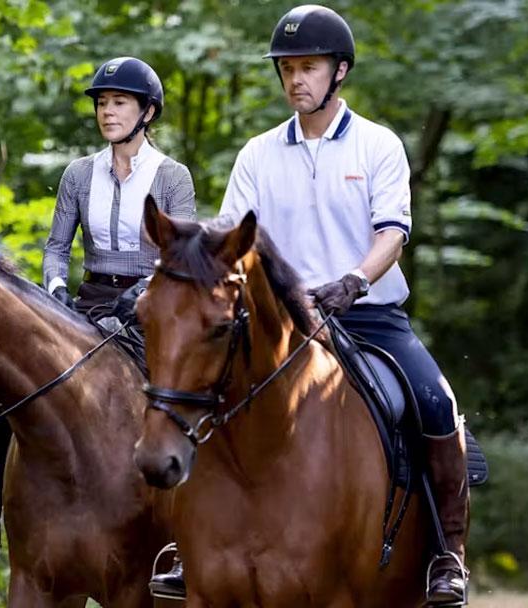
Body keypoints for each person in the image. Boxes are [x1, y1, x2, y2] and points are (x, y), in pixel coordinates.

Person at [149, 6, 470, 605]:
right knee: (196, 391)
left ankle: (447, 554)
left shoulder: (379, 145)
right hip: (283, 322)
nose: (297, 79)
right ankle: (184, 542)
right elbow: (230, 238)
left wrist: (354, 280)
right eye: (289, 69)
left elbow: (394, 234)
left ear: (339, 71)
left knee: (435, 401)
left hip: (368, 315)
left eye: (309, 68)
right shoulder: (257, 154)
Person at [0, 56, 196, 567]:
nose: (107, 112)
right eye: (102, 103)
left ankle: (184, 541)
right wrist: (56, 290)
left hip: (151, 305)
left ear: (147, 112)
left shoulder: (172, 176)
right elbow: (58, 246)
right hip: (86, 302)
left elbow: (180, 252)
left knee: (183, 400)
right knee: (6, 395)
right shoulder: (79, 174)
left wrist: (141, 293)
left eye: (118, 103)